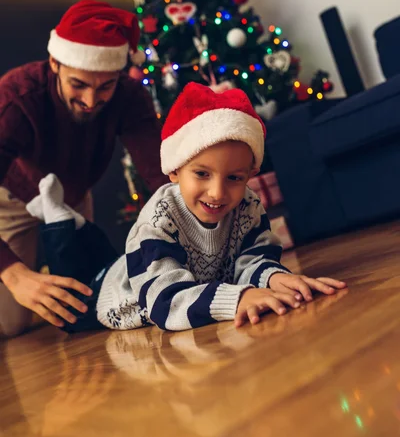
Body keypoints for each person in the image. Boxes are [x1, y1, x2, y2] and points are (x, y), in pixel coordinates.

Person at [25, 82, 347, 333]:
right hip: (118, 294)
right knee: (70, 311)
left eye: (234, 177)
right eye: (202, 174)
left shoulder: (247, 204)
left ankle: (73, 224)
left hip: (133, 264)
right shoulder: (158, 219)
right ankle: (58, 220)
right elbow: (165, 302)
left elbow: (252, 259)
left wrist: (275, 279)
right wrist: (237, 298)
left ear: (250, 174)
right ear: (174, 170)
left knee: (108, 258)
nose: (218, 192)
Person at [0, 0, 166, 338]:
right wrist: (15, 275)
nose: (91, 101)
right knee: (11, 323)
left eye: (105, 86)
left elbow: (159, 171)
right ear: (55, 63)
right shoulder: (15, 98)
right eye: (79, 84)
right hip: (12, 199)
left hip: (72, 199)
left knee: (90, 302)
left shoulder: (129, 97)